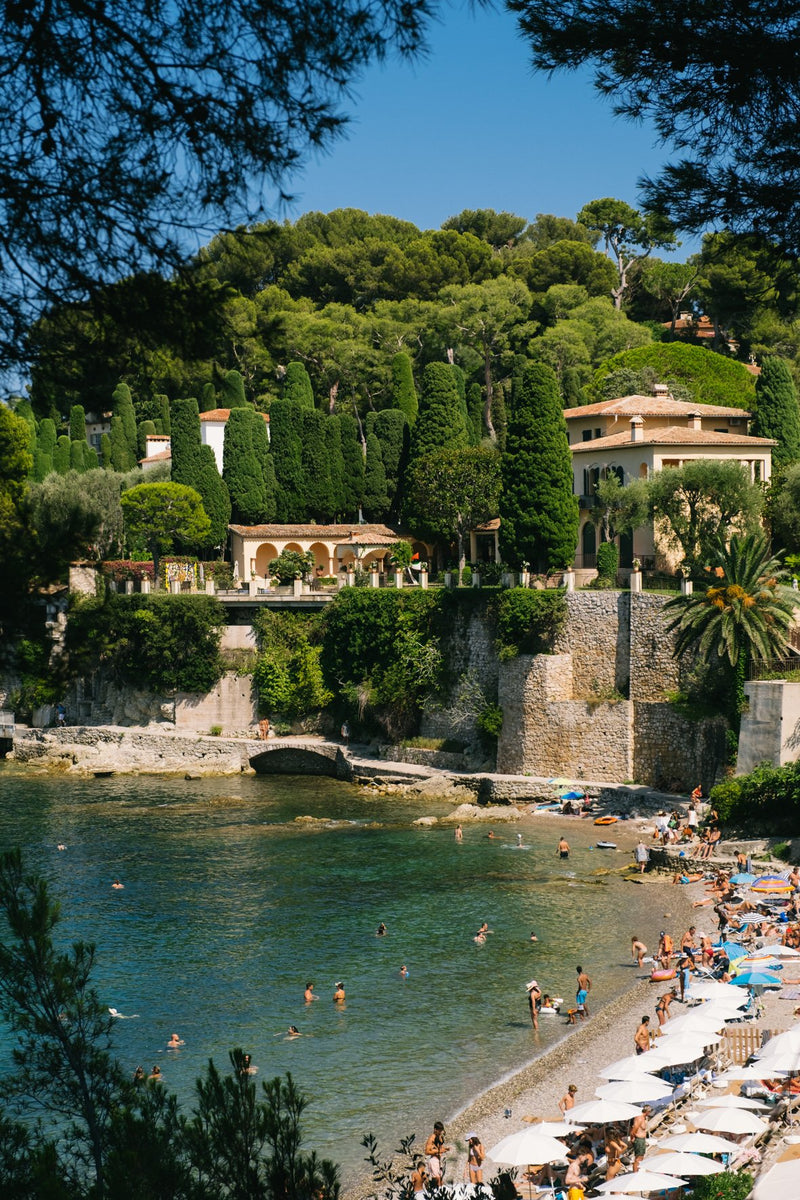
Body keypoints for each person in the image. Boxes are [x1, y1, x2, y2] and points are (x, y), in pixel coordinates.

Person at [424, 1122, 450, 1186]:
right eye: (439, 1131)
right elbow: (427, 1152)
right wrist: (439, 1151)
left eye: (441, 1131)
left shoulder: (438, 1136)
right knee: (437, 1179)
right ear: (435, 1129)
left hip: (439, 1160)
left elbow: (439, 1147)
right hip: (433, 1159)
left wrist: (445, 1149)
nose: (440, 1132)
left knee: (440, 1178)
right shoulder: (431, 1138)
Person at [629, 1106, 651, 1171]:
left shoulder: (642, 1118)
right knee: (638, 1158)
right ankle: (635, 1173)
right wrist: (632, 1138)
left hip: (641, 1140)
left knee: (640, 1157)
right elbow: (634, 1129)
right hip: (639, 1140)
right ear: (647, 1112)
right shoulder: (639, 1118)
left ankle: (637, 1171)